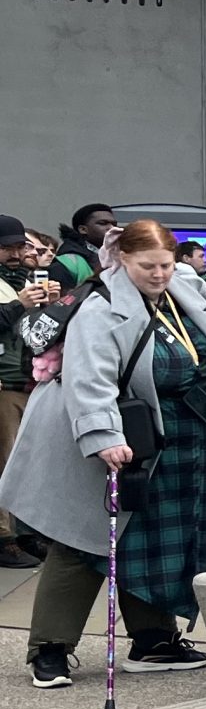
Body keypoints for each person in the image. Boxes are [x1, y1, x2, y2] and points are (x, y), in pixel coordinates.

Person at [1, 220, 206, 686]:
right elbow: (87, 379)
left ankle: (153, 641)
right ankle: (49, 650)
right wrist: (102, 438)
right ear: (123, 259)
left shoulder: (188, 291)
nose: (159, 274)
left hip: (184, 443)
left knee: (155, 544)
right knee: (84, 543)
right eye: (147, 266)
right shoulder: (100, 305)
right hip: (119, 438)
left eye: (166, 264)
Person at [0, 213, 51, 569]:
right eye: (8, 247)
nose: (16, 253)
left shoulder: (18, 280)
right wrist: (22, 303)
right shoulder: (14, 288)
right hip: (7, 387)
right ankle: (4, 538)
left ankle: (22, 532)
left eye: (20, 246)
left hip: (28, 382)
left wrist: (50, 305)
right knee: (6, 465)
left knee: (27, 464)